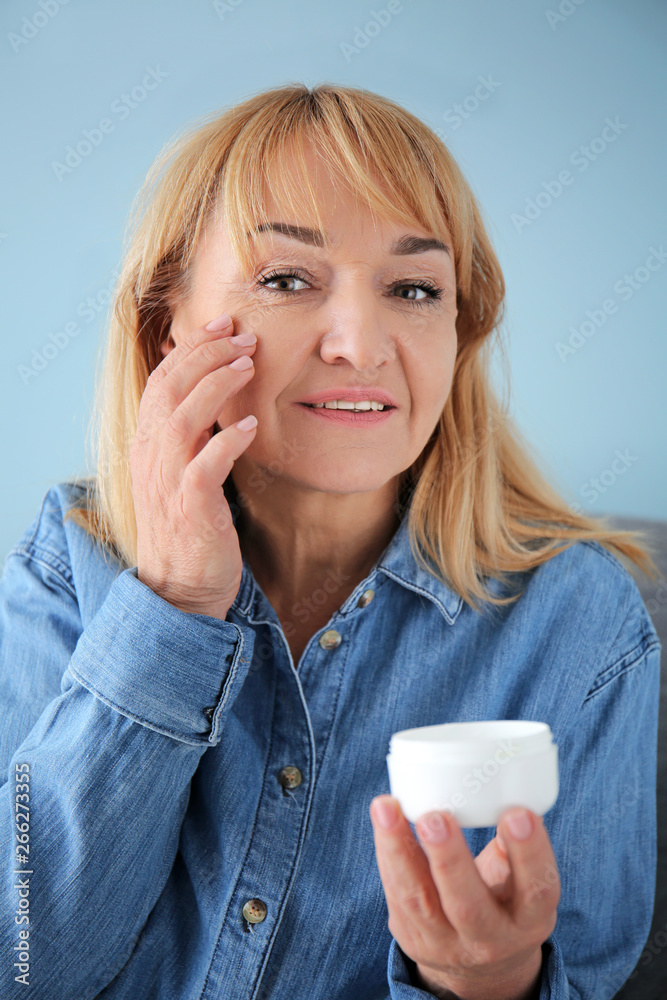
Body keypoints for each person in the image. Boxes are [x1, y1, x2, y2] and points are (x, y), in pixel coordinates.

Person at [0, 82, 661, 1000]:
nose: (360, 342)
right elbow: (24, 965)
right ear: (166, 331)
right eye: (285, 280)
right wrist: (171, 608)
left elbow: (582, 973)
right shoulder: (69, 563)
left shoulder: (580, 622)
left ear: (456, 334)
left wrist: (489, 978)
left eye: (413, 289)